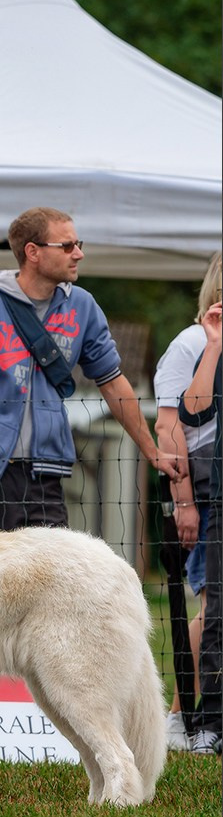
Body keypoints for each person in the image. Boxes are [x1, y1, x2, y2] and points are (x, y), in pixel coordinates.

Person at [0, 206, 184, 532]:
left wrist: (152, 452)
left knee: (52, 567)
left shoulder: (83, 307)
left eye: (78, 244)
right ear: (33, 252)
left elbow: (114, 383)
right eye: (67, 246)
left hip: (47, 478)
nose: (79, 254)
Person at [154, 252, 221, 750]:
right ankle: (180, 717)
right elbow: (169, 424)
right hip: (204, 490)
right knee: (212, 606)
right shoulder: (192, 342)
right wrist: (184, 504)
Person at [179, 298, 222, 755]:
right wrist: (213, 344)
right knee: (217, 613)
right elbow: (193, 411)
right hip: (220, 500)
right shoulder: (216, 347)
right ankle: (210, 723)